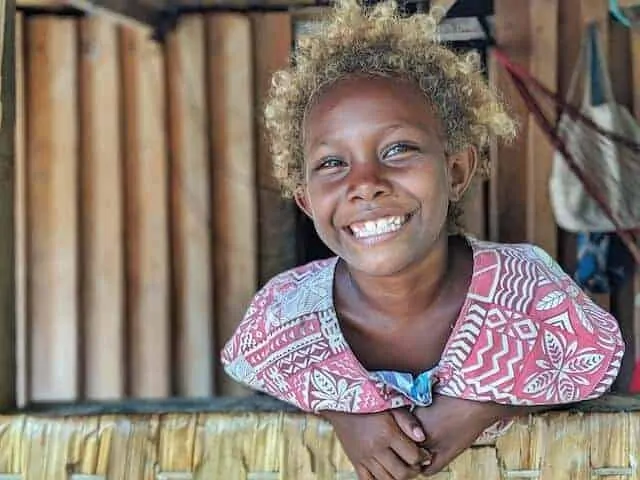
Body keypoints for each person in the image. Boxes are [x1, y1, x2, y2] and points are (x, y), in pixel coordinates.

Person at [221, 1, 625, 478]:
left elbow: (597, 361)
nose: (365, 182)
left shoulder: (526, 286)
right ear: (307, 201)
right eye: (332, 163)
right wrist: (345, 411)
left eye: (398, 149)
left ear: (456, 170)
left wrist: (480, 406)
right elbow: (254, 368)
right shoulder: (284, 312)